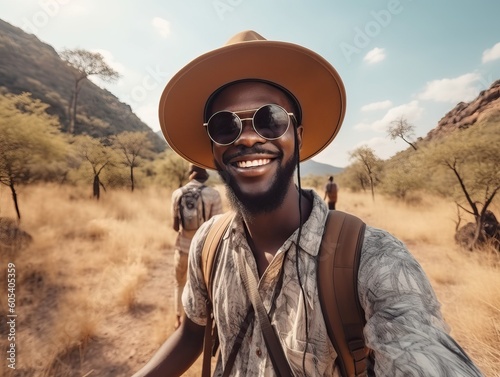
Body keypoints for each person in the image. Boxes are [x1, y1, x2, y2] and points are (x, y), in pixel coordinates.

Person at [133, 31, 483, 376]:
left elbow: (423, 352)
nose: (249, 136)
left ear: (297, 136)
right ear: (214, 148)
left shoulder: (373, 259)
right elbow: (192, 334)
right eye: (225, 126)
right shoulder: (208, 243)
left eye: (270, 120)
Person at [170, 164, 222, 330]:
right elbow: (216, 227)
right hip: (204, 253)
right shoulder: (213, 195)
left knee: (179, 283)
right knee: (207, 288)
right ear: (204, 176)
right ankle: (204, 322)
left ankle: (178, 318)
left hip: (183, 247)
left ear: (190, 175)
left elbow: (174, 225)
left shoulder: (177, 194)